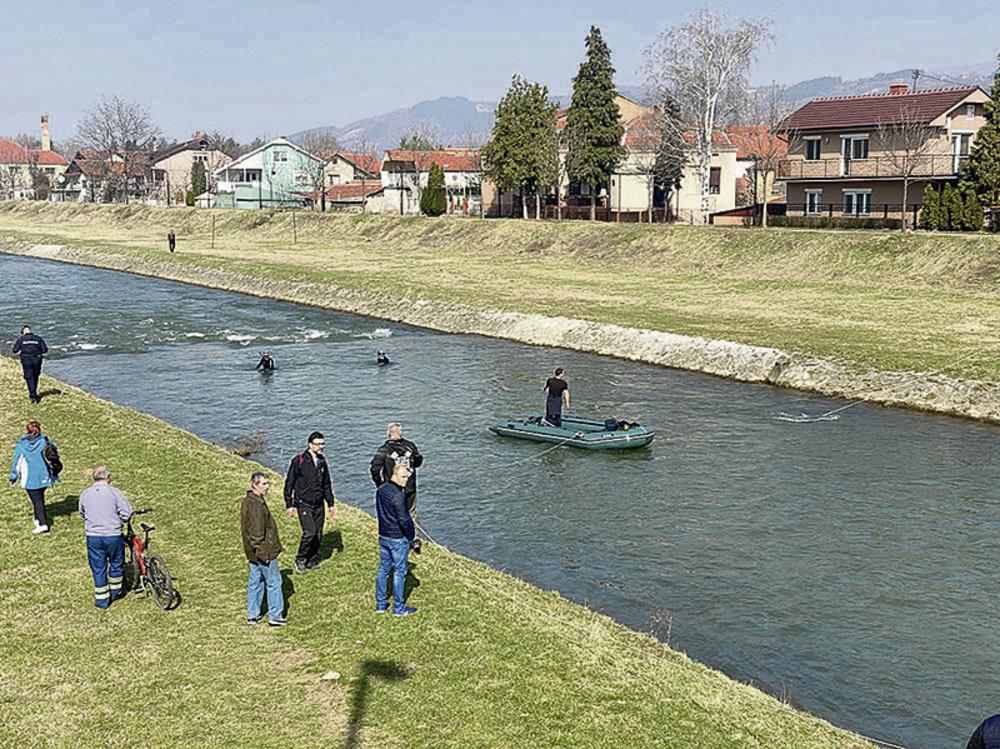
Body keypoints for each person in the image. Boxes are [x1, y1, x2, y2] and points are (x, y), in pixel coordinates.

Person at [78, 466, 132, 609]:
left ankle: (102, 600)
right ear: (108, 478)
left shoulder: (86, 493)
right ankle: (116, 591)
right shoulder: (115, 492)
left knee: (98, 567)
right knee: (116, 562)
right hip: (113, 535)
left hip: (93, 536)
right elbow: (126, 513)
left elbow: (82, 512)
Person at [284, 431, 337, 574]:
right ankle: (300, 559)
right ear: (310, 444)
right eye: (318, 444)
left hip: (319, 503)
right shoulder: (299, 461)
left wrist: (331, 503)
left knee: (318, 534)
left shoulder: (322, 461)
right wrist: (289, 504)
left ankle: (311, 560)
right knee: (310, 532)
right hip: (303, 503)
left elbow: (326, 484)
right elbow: (289, 483)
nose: (321, 447)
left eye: (323, 444)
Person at [241, 472, 286, 627]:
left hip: (253, 553)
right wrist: (264, 554)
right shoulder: (256, 506)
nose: (267, 487)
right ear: (254, 485)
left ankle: (252, 614)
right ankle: (275, 615)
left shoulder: (249, 501)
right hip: (263, 552)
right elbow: (256, 534)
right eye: (264, 484)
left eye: (268, 483)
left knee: (256, 581)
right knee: (273, 582)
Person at [375, 463, 417, 617]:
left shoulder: (382, 489)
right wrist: (411, 536)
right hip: (397, 539)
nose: (406, 480)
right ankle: (398, 608)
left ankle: (381, 604)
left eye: (407, 477)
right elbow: (404, 519)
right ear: (395, 475)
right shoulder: (398, 495)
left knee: (383, 569)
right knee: (400, 572)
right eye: (404, 477)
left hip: (383, 536)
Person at [8, 420, 57, 534]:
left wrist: (13, 477)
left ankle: (42, 523)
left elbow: (17, 463)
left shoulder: (22, 445)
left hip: (29, 478)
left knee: (37, 501)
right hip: (44, 476)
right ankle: (37, 518)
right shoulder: (45, 441)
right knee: (39, 498)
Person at [370, 422, 423, 513]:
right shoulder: (410, 446)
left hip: (391, 488)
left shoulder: (383, 450)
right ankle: (411, 526)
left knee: (392, 513)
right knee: (410, 513)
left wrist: (380, 484)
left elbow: (374, 469)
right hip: (409, 487)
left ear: (388, 434)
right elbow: (418, 462)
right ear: (400, 433)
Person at [12, 325, 48, 403]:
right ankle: (34, 393)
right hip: (37, 360)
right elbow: (45, 350)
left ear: (23, 332)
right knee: (35, 376)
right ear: (30, 330)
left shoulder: (21, 339)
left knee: (29, 377)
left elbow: (15, 350)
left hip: (26, 360)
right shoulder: (38, 339)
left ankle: (33, 396)